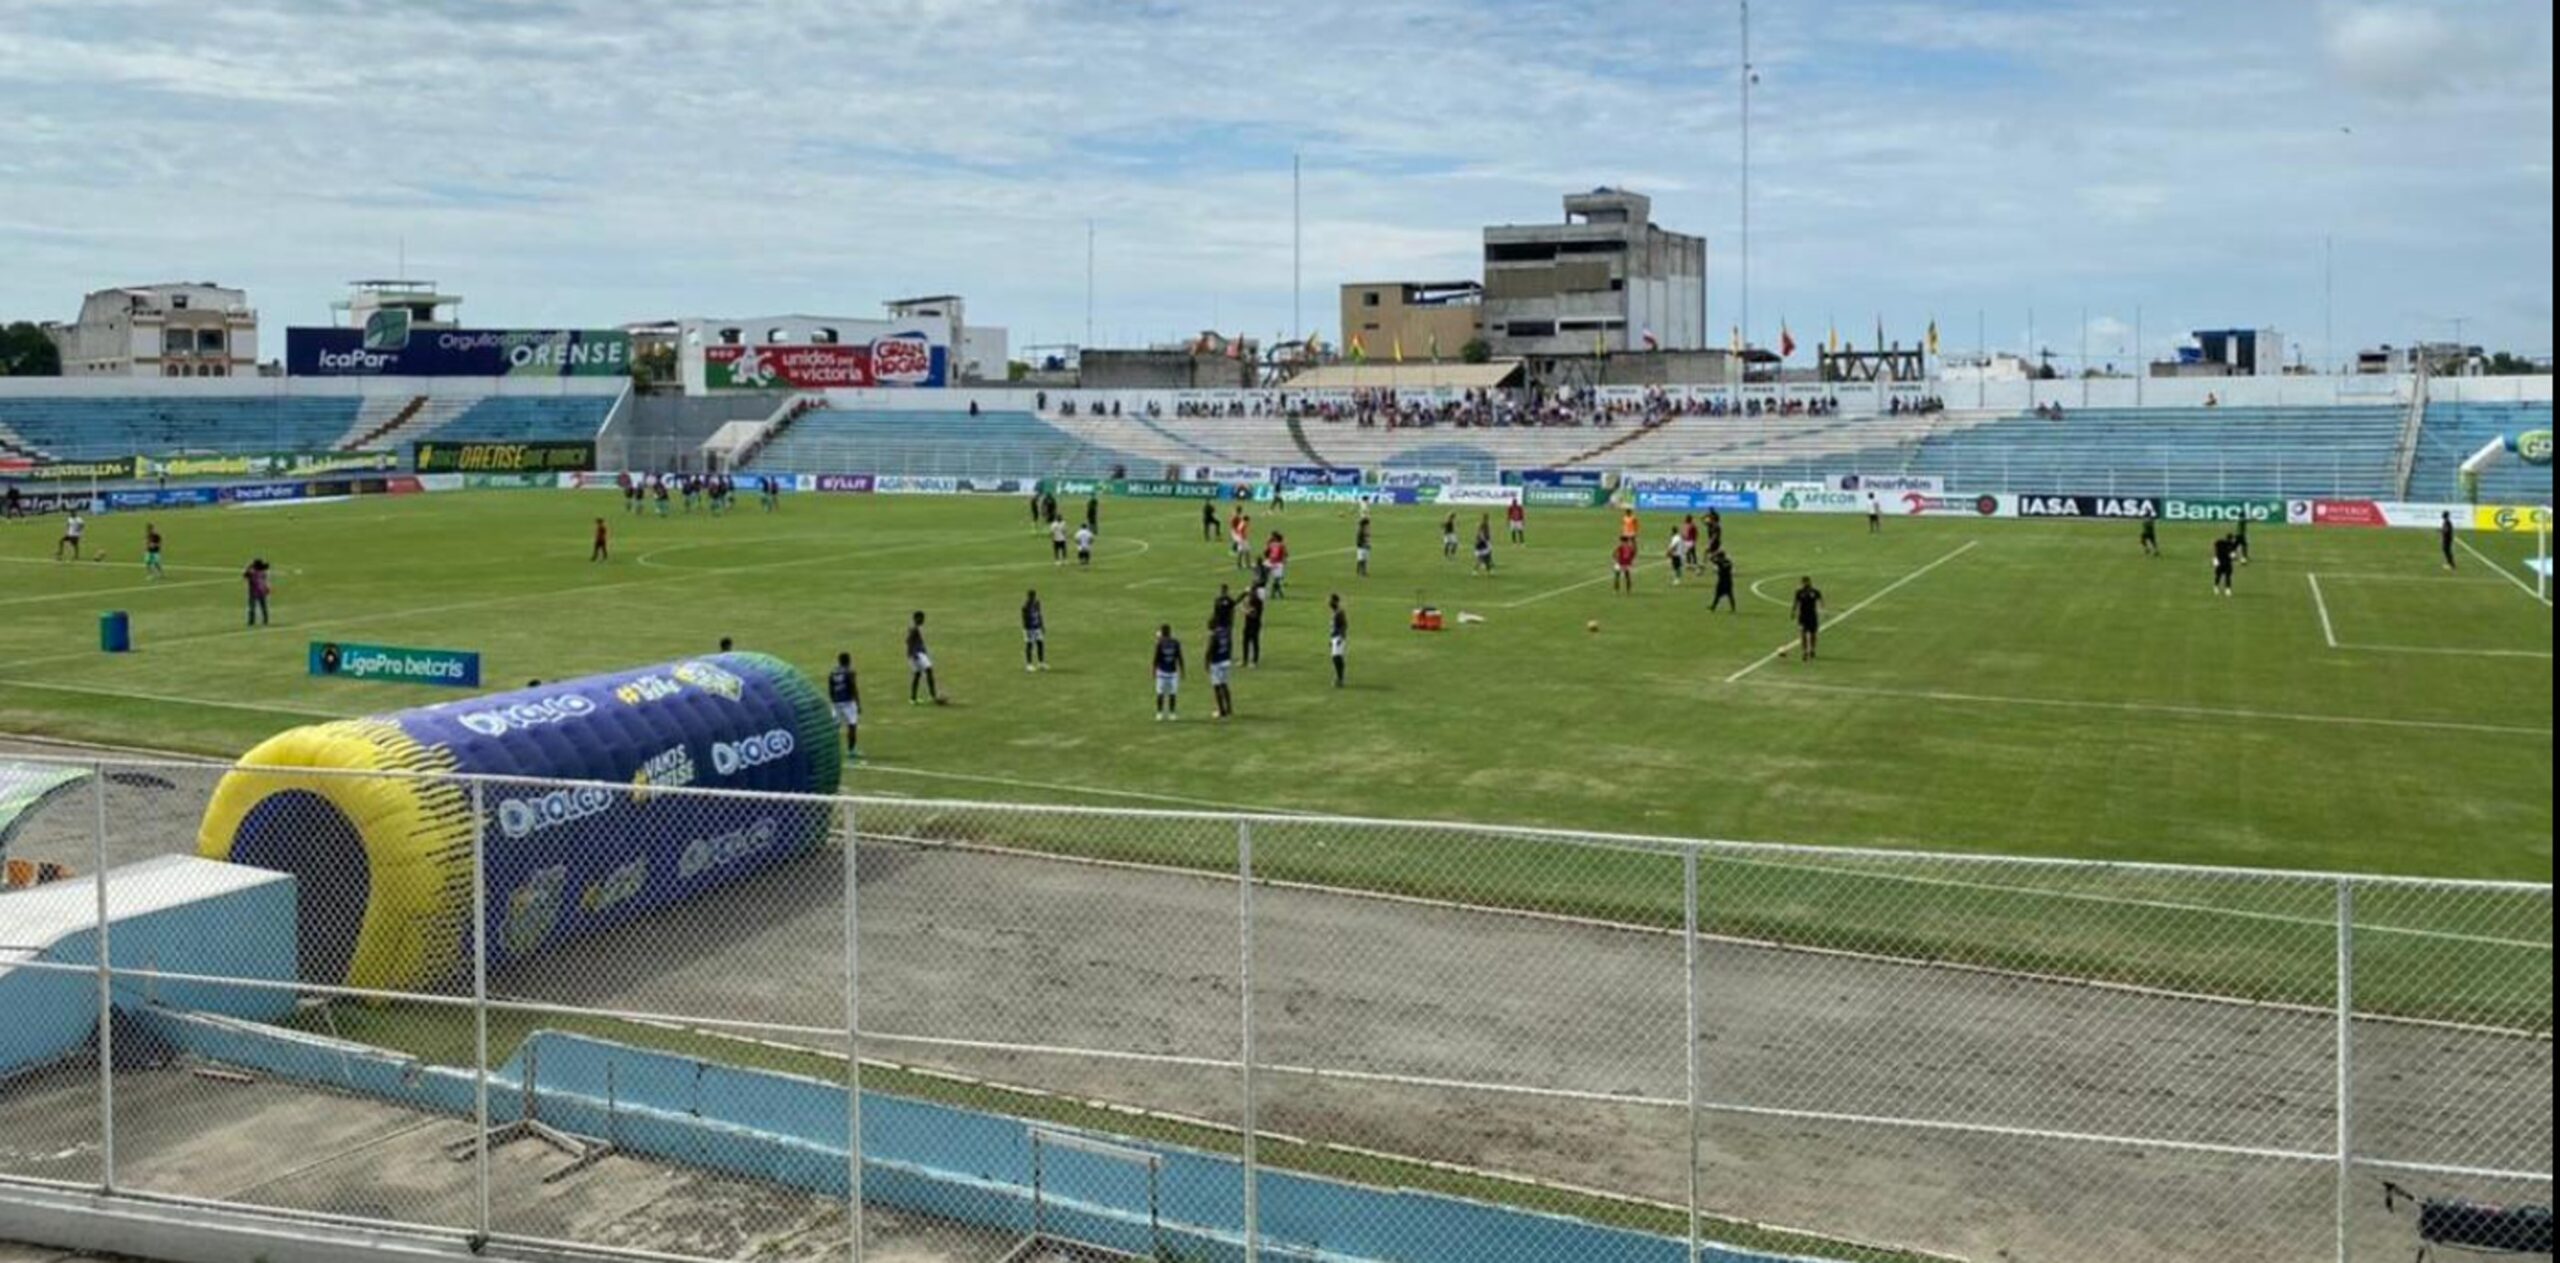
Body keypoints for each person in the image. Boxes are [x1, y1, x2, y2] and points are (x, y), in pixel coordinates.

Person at [828, 652, 862, 759]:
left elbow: (831, 688)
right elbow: (853, 687)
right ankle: (851, 750)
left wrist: (833, 701)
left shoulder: (833, 672)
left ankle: (830, 749)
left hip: (836, 702)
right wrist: (858, 703)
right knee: (852, 725)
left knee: (834, 727)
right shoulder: (850, 672)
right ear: (848, 661)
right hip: (848, 702)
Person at [1151, 623, 1186, 721]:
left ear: (1162, 633)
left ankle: (1159, 713)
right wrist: (1182, 670)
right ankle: (1172, 713)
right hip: (1173, 672)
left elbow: (1155, 659)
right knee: (1172, 694)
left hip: (1162, 672)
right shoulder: (1175, 642)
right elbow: (1180, 657)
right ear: (1170, 632)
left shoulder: (1160, 643)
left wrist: (1153, 671)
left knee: (1160, 693)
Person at [906, 611, 941, 703]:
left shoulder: (915, 628)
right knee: (928, 670)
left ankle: (913, 698)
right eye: (921, 618)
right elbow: (908, 641)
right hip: (917, 654)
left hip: (917, 653)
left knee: (917, 674)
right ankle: (933, 695)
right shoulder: (914, 629)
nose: (923, 620)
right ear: (916, 619)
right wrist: (914, 654)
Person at [1206, 614, 1236, 719]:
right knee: (1224, 685)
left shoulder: (1214, 635)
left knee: (1217, 686)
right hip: (1225, 660)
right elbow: (1230, 644)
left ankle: (1222, 711)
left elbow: (1210, 649)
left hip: (1217, 662)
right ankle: (1229, 708)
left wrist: (1207, 662)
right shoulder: (1226, 632)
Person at [1791, 576, 1825, 659]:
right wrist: (1793, 612)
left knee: (1813, 634)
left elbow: (1820, 600)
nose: (1805, 584)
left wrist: (1822, 609)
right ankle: (1805, 651)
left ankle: (1812, 649)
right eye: (1803, 582)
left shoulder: (1815, 591)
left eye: (1806, 582)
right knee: (1803, 634)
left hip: (1812, 616)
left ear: (1810, 582)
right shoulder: (1799, 592)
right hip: (1803, 616)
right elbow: (1796, 602)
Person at [1021, 589, 1048, 671]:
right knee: (1029, 645)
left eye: (1033, 596)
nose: (1033, 598)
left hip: (1037, 627)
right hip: (1029, 628)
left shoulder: (1037, 603)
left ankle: (1041, 663)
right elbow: (1025, 619)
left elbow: (1039, 614)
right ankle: (1029, 665)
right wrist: (1029, 629)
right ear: (1028, 597)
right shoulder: (1025, 606)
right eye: (1031, 596)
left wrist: (1042, 625)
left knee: (1040, 644)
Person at [1241, 584, 1266, 667]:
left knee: (1254, 642)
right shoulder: (1250, 600)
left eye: (1252, 592)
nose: (1251, 593)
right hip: (1248, 623)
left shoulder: (1258, 601)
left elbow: (1254, 614)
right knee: (1245, 641)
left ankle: (1254, 661)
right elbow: (1248, 610)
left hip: (1255, 624)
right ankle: (1244, 660)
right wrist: (1246, 608)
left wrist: (1245, 611)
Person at [1327, 593, 1348, 688]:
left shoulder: (1340, 612)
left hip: (1339, 638)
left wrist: (1340, 637)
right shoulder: (1334, 612)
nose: (1329, 602)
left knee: (1337, 658)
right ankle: (1339, 678)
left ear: (1336, 601)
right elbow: (1333, 627)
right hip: (1334, 638)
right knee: (1335, 658)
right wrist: (1331, 639)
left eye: (1330, 600)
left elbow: (1344, 626)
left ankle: (1340, 679)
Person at [243, 558, 273, 626]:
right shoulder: (261, 573)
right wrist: (267, 588)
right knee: (261, 607)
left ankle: (253, 621)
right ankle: (263, 620)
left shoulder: (254, 573)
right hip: (259, 592)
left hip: (256, 592)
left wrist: (248, 567)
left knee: (254, 607)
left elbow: (245, 575)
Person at [2211, 533, 2237, 597]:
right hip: (2226, 563)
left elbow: (2215, 544)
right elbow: (2232, 555)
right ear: (2231, 539)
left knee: (2219, 576)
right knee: (2227, 577)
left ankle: (2216, 587)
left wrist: (2215, 557)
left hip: (2220, 562)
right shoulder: (2231, 545)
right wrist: (2234, 557)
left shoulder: (2220, 542)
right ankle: (2227, 590)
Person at [1264, 532, 1289, 596]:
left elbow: (1266, 553)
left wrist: (1267, 545)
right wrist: (1284, 559)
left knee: (1269, 579)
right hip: (1278, 564)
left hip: (1270, 562)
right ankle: (1275, 593)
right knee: (1277, 579)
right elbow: (1286, 554)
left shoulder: (1271, 544)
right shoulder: (1281, 545)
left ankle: (1276, 593)